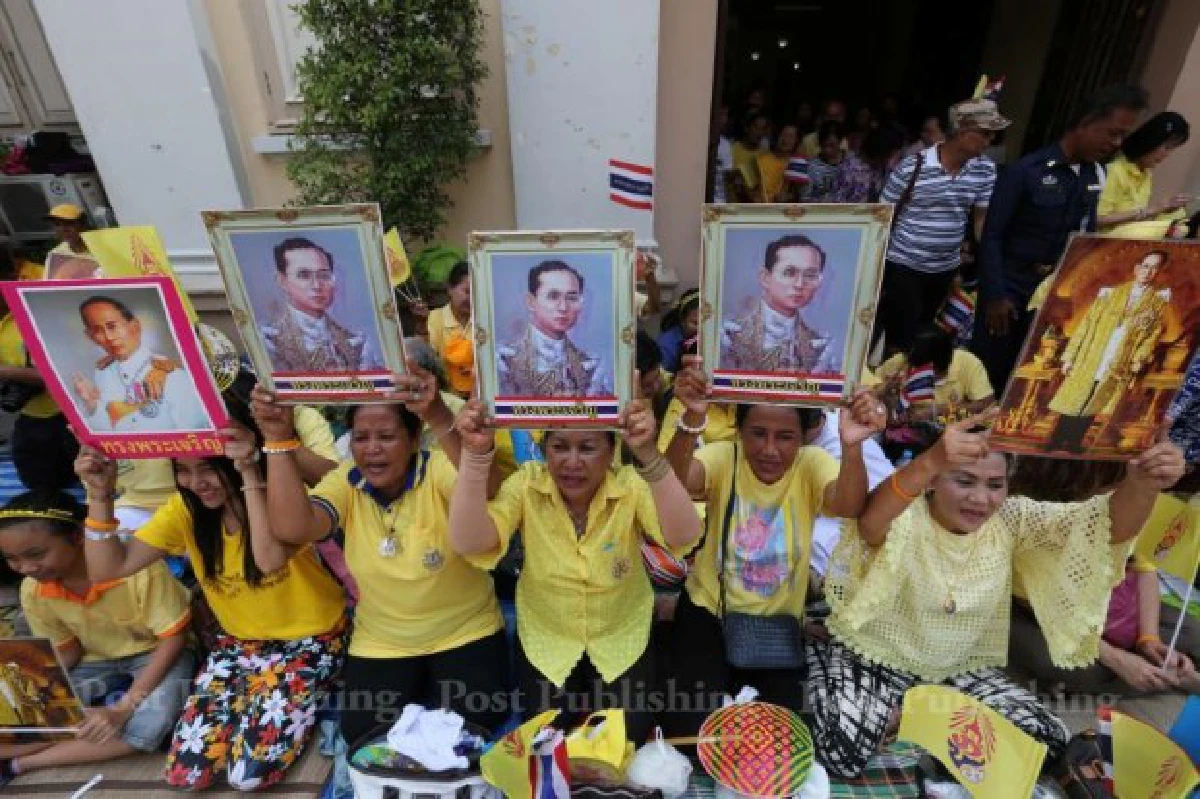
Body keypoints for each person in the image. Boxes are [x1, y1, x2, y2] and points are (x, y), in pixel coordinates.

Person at [809, 412, 1185, 779]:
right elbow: (869, 523)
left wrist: (1142, 484)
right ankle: (847, 675)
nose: (981, 499)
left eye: (994, 485)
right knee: (842, 750)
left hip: (955, 670)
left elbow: (1105, 528)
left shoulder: (1012, 520)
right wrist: (931, 459)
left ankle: (914, 718)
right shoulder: (905, 513)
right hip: (873, 657)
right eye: (964, 481)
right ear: (933, 480)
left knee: (1048, 739)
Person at [72, 412, 347, 791]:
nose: (196, 482)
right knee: (186, 774)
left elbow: (268, 560)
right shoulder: (184, 510)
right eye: (183, 471)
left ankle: (309, 697)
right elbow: (107, 569)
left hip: (311, 641)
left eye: (207, 468)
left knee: (247, 776)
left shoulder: (283, 498)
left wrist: (249, 471)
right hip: (236, 646)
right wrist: (100, 495)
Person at [256, 367, 511, 746]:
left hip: (464, 629)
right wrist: (277, 439)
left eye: (387, 436)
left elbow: (488, 489)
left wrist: (438, 414)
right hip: (383, 640)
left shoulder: (438, 468)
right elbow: (294, 529)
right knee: (363, 732)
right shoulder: (346, 481)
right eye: (361, 438)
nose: (372, 448)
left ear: (413, 439)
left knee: (477, 722)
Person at [448, 397, 702, 743]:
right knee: (546, 739)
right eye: (559, 447)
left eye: (587, 448)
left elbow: (684, 534)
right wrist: (475, 455)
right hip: (547, 637)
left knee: (626, 738)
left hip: (621, 635)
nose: (572, 462)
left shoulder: (629, 484)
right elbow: (469, 542)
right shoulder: (527, 484)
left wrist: (649, 456)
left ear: (611, 451)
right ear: (544, 449)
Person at [660, 357, 887, 734]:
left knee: (782, 738)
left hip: (776, 628)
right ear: (739, 431)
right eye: (757, 433)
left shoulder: (812, 464)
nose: (769, 449)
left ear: (803, 438)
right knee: (690, 734)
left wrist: (852, 448)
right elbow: (677, 483)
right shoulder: (725, 456)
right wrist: (692, 419)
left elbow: (849, 506)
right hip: (707, 612)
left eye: (785, 437)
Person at [0, 491, 193, 785]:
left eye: (36, 555)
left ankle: (19, 764)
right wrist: (30, 684)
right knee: (17, 709)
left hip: (159, 653)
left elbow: (173, 640)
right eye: (12, 559)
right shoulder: (33, 588)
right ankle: (55, 736)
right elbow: (68, 652)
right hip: (96, 658)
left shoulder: (137, 568)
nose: (26, 568)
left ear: (78, 537)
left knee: (150, 724)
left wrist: (122, 709)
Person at [973, 84, 1148, 391]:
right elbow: (992, 237)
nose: (1116, 143)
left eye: (1123, 136)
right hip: (1010, 289)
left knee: (1029, 379)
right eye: (1112, 133)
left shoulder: (1095, 174)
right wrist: (995, 296)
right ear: (1086, 122)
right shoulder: (1026, 171)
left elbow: (1086, 236)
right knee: (988, 376)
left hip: (1054, 292)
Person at [1006, 458, 1199, 696]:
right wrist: (1117, 659)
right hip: (1046, 616)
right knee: (1067, 667)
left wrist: (1150, 639)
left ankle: (1156, 673)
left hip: (1112, 605)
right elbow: (1046, 611)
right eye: (1115, 489)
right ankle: (1159, 677)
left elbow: (1145, 570)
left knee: (1191, 630)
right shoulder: (1034, 523)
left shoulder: (1128, 508)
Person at [876, 98, 1007, 355]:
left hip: (945, 269)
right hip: (904, 264)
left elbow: (981, 221)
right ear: (962, 131)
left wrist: (989, 261)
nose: (990, 140)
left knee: (925, 335)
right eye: (985, 133)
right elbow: (882, 215)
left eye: (993, 134)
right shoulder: (913, 165)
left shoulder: (985, 170)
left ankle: (912, 377)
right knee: (899, 339)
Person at [1045, 249, 1169, 454]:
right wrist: (1070, 357)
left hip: (1119, 358)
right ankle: (1057, 439)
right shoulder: (1111, 293)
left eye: (1154, 268)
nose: (1148, 272)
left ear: (1159, 272)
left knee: (1095, 400)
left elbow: (1152, 335)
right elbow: (1086, 325)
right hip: (1092, 354)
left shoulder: (1157, 303)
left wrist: (1138, 359)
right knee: (1075, 396)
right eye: (1146, 266)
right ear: (1137, 268)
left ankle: (1075, 441)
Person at [68, 296, 209, 433]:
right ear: (91, 337)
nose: (109, 337)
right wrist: (92, 405)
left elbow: (195, 435)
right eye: (98, 331)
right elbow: (107, 430)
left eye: (112, 326)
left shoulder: (172, 375)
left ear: (135, 326)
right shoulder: (103, 373)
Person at [0, 253, 78, 492]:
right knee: (37, 485)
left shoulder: (36, 314)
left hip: (68, 417)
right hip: (31, 417)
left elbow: (59, 372)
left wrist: (7, 372)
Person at [261, 237, 384, 373]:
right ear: (282, 281)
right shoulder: (268, 340)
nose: (317, 286)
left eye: (324, 275)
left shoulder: (357, 342)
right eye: (303, 275)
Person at [720, 234, 837, 374]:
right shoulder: (728, 334)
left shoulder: (821, 346)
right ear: (765, 278)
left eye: (810, 275)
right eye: (789, 273)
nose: (799, 284)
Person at [497, 260, 612, 397]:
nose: (563, 307)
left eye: (572, 298)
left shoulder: (591, 365)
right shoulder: (503, 359)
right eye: (553, 296)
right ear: (531, 302)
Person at [877, 325, 995, 425]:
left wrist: (936, 411)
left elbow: (985, 404)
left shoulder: (968, 363)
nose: (911, 371)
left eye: (919, 372)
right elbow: (871, 388)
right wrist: (886, 393)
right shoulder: (901, 361)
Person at [1098, 111, 1191, 236]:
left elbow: (1138, 220)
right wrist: (1152, 209)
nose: (1167, 155)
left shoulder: (1146, 173)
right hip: (1106, 241)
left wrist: (1166, 209)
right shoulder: (1115, 170)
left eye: (1172, 149)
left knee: (1180, 217)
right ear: (1151, 140)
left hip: (1130, 238)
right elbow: (1096, 220)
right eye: (1167, 147)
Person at [427, 261, 474, 397]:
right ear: (450, 288)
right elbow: (428, 362)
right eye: (467, 292)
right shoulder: (434, 319)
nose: (471, 299)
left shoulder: (484, 320)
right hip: (446, 396)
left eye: (476, 293)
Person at [830, 124, 905, 204]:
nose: (891, 160)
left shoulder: (884, 169)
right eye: (890, 155)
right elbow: (836, 204)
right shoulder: (848, 170)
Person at [656, 289, 700, 374]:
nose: (700, 329)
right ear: (682, 320)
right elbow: (661, 377)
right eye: (695, 323)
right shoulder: (666, 345)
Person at [801, 121, 845, 202]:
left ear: (840, 142)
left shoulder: (852, 165)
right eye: (824, 145)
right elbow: (805, 198)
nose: (827, 150)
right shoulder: (811, 167)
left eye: (832, 145)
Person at [756, 124, 801, 203]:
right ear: (777, 136)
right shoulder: (761, 160)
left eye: (791, 136)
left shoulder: (796, 164)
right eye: (783, 134)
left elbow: (798, 193)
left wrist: (787, 197)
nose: (786, 140)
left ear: (796, 141)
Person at [731, 114, 770, 202]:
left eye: (763, 129)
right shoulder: (732, 150)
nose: (759, 133)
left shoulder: (765, 155)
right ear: (746, 128)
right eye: (756, 127)